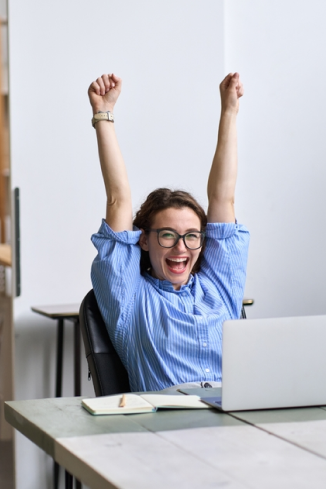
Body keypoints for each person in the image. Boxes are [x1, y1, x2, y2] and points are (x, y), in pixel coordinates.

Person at [88, 72, 249, 392]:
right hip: (167, 432)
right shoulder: (130, 299)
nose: (181, 248)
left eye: (192, 235)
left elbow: (223, 197)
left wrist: (229, 112)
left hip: (234, 423)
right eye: (167, 235)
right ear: (144, 239)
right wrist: (103, 116)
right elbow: (118, 200)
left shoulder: (219, 288)